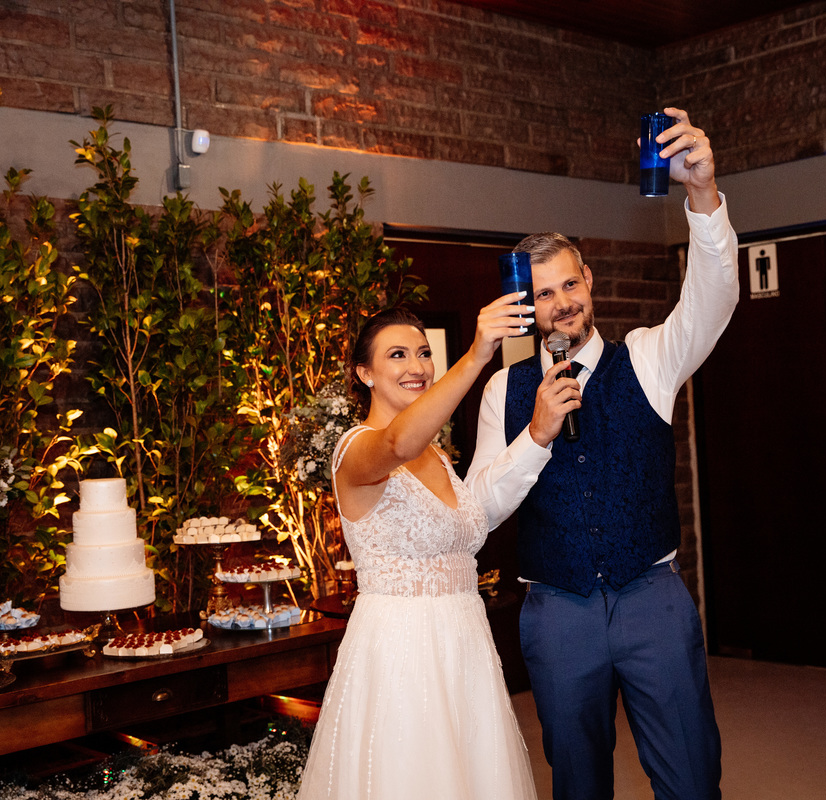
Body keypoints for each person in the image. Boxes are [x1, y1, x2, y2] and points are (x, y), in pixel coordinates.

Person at [464, 107, 739, 800]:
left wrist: (702, 196)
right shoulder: (504, 390)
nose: (560, 303)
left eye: (569, 284)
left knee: (690, 775)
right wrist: (535, 436)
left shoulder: (647, 360)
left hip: (652, 598)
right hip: (558, 611)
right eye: (543, 292)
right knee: (578, 784)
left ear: (588, 281)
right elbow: (479, 511)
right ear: (526, 302)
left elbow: (713, 299)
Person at [298, 303, 539, 800]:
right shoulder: (357, 449)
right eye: (398, 355)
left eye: (425, 353)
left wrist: (537, 435)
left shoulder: (439, 456)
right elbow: (399, 441)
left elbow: (474, 517)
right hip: (401, 648)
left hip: (465, 641)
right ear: (364, 373)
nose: (418, 367)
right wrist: (476, 355)